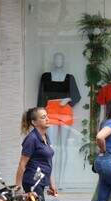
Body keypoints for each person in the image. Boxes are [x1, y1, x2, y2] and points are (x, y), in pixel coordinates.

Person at [37, 52, 81, 188]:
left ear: (64, 61)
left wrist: (67, 99)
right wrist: (41, 114)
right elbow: (41, 96)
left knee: (64, 148)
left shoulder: (69, 78)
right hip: (51, 111)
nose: (58, 61)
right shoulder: (45, 76)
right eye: (56, 58)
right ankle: (52, 180)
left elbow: (76, 96)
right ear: (53, 61)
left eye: (61, 58)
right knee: (52, 147)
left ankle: (63, 179)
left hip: (65, 111)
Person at [15, 107, 58, 200]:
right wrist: (18, 188)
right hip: (32, 182)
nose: (47, 119)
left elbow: (47, 162)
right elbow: (22, 164)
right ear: (34, 122)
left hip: (41, 182)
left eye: (47, 116)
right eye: (43, 117)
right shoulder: (32, 139)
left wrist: (52, 184)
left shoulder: (45, 137)